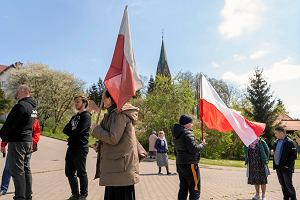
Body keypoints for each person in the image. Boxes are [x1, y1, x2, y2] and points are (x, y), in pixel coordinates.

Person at [92, 90, 139, 200]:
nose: (102, 99)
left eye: (104, 96)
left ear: (111, 98)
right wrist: (99, 145)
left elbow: (113, 138)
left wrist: (96, 129)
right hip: (115, 168)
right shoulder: (111, 114)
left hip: (120, 169)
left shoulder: (119, 114)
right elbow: (115, 138)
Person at [0, 84, 37, 200]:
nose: (16, 93)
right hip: (27, 142)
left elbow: (10, 125)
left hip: (17, 142)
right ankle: (28, 195)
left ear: (23, 91)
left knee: (17, 171)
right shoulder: (34, 109)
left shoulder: (20, 106)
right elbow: (32, 124)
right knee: (26, 170)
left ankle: (20, 197)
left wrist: (3, 136)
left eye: (17, 91)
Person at [0, 119, 41, 196]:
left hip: (27, 149)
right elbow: (8, 132)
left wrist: (32, 142)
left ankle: (24, 191)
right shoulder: (16, 117)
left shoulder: (34, 120)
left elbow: (37, 133)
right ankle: (3, 189)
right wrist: (3, 144)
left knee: (25, 169)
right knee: (8, 168)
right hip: (14, 147)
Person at [63, 96, 91, 200]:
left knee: (81, 172)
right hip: (71, 148)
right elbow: (65, 129)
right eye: (75, 102)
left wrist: (72, 132)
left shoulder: (86, 116)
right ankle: (75, 194)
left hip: (81, 148)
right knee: (69, 172)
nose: (76, 104)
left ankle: (83, 194)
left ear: (84, 103)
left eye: (78, 102)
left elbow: (79, 131)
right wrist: (73, 132)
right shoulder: (75, 117)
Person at [172, 115, 206, 200]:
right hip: (190, 164)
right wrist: (202, 144)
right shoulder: (187, 133)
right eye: (190, 123)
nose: (192, 125)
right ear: (186, 124)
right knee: (195, 189)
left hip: (180, 164)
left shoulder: (176, 134)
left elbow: (176, 150)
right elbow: (194, 149)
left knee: (183, 188)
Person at [273, 126, 298, 200]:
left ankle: (293, 198)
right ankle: (286, 198)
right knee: (282, 185)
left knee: (288, 185)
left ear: (281, 133)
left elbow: (294, 155)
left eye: (276, 133)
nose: (275, 135)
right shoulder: (276, 141)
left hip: (286, 168)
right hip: (278, 167)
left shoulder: (290, 142)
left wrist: (287, 165)